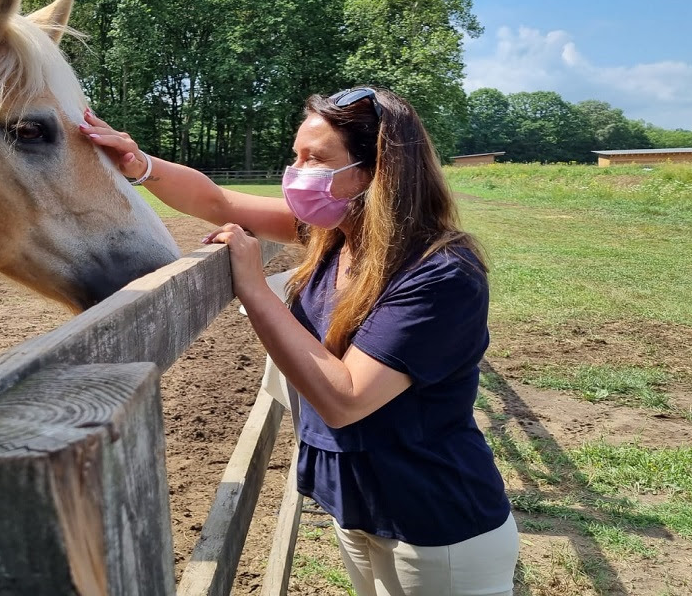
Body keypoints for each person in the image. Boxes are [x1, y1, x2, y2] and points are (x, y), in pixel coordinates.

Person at [80, 86, 519, 596]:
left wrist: (252, 287)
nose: (297, 171)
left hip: (435, 523)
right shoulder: (339, 235)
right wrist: (139, 164)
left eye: (315, 158)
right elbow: (215, 200)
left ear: (377, 169)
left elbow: (345, 398)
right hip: (359, 505)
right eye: (296, 155)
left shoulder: (440, 273)